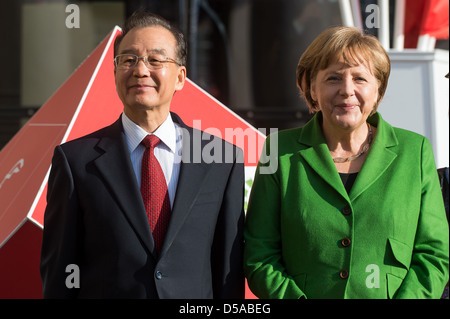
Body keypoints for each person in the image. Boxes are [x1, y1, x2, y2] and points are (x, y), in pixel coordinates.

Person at [40, 11, 245, 299]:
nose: (140, 70)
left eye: (155, 60)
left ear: (180, 77)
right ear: (114, 73)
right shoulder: (76, 162)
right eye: (128, 60)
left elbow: (228, 271)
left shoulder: (221, 159)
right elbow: (61, 271)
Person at [244, 26, 449, 299]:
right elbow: (260, 253)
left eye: (360, 79)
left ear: (378, 90)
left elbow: (434, 254)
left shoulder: (415, 151)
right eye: (333, 78)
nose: (347, 90)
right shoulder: (279, 150)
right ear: (311, 88)